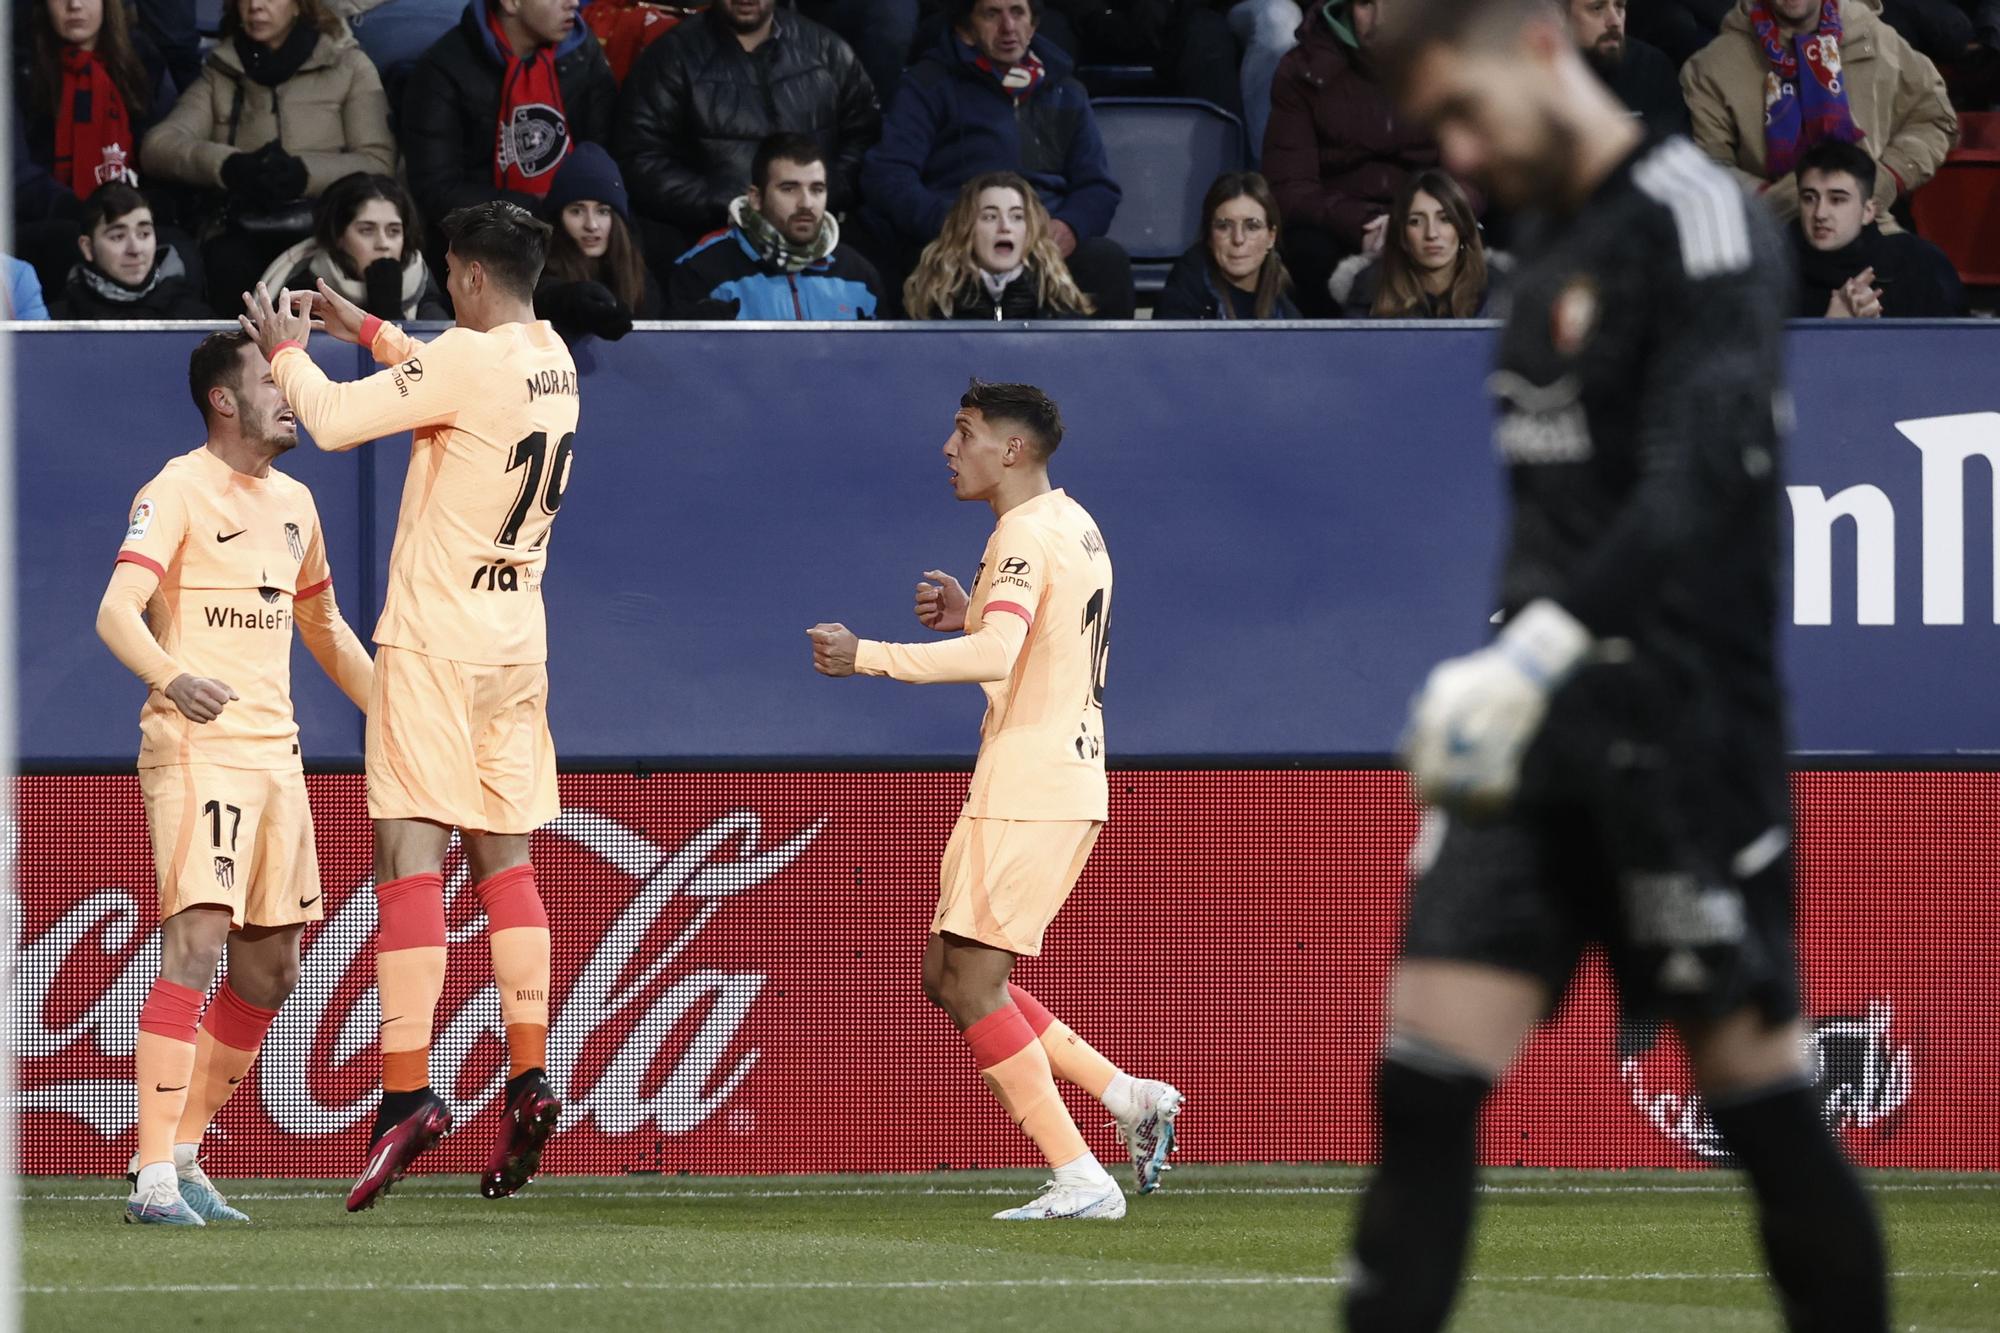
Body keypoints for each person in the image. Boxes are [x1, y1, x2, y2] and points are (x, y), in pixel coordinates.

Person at [1347, 0, 1890, 1328]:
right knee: (1420, 1087)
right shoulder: (1539, 257)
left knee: (1759, 1102)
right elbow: (1555, 526)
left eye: (1465, 113)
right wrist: (1500, 688)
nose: (1457, 157)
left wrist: (1531, 653)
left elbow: (1700, 476)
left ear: (1540, 51)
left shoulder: (1694, 216)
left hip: (1685, 740)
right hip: (1538, 740)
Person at [238, 200, 578, 1211]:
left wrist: (293, 350)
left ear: (468, 276)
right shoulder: (548, 352)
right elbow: (453, 382)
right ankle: (527, 1070)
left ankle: (406, 1092)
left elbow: (337, 424)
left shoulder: (470, 359)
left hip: (438, 641)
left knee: (406, 855)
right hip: (520, 639)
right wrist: (373, 330)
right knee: (505, 857)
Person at [805, 379, 1183, 1221]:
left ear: (1012, 449)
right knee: (948, 970)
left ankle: (1081, 1175)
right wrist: (970, 615)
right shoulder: (1072, 522)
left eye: (966, 432)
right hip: (1051, 772)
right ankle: (1122, 1096)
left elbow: (997, 653)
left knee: (972, 978)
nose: (950, 447)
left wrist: (867, 653)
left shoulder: (1021, 533)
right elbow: (1024, 644)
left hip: (1033, 780)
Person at [96, 328, 374, 1225]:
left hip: (276, 757)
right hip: (195, 746)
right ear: (224, 399)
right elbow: (115, 611)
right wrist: (172, 676)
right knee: (200, 938)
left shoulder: (296, 501)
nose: (293, 391)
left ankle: (186, 1151)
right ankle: (150, 1177)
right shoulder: (174, 489)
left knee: (272, 967)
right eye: (271, 377)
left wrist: (399, 714)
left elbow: (326, 628)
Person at [859, 0, 1132, 319]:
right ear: (966, 30)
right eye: (992, 14)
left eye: (1017, 12)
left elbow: (1097, 187)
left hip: (1042, 242)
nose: (1008, 27)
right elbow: (888, 176)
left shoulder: (1066, 91)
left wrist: (1068, 227)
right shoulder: (928, 85)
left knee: (1107, 262)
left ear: (1033, 26)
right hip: (952, 240)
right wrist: (954, 225)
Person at [139, 0, 397, 310]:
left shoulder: (349, 66)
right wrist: (228, 165)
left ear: (301, 5)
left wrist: (304, 174)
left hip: (326, 228)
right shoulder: (222, 70)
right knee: (228, 262)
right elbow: (157, 146)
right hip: (240, 228)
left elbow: (379, 162)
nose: (255, 6)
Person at [613, 0, 880, 276]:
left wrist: (815, 195)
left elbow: (866, 138)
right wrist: (721, 201)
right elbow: (638, 157)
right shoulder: (670, 58)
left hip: (818, 256)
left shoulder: (828, 52)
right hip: (709, 255)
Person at [1263, 0, 1480, 318]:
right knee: (1306, 249)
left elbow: (1476, 171)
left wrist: (1415, 221)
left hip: (1431, 214)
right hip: (1342, 226)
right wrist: (1363, 224)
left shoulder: (1449, 61)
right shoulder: (1302, 68)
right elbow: (1289, 188)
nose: (1379, 19)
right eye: (1366, 3)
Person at [1680, 0, 1957, 231]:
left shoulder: (1874, 38)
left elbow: (1934, 118)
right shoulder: (1713, 65)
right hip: (1770, 237)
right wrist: (1788, 201)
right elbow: (1708, 169)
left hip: (1871, 230)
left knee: (1934, 278)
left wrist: (1886, 177)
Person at [401, 0, 618, 245]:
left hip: (582, 226)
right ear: (511, 3)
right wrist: (541, 213)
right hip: (485, 240)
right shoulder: (444, 69)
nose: (574, 3)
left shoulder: (581, 51)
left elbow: (607, 154)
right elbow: (437, 190)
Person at [667, 132, 881, 320]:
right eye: (789, 189)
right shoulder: (701, 270)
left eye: (817, 189)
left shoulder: (858, 275)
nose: (806, 203)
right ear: (756, 198)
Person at [16, 0, 168, 208]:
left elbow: (159, 154)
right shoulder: (21, 75)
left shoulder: (143, 64)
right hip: (53, 219)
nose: (74, 5)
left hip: (135, 213)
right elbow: (20, 175)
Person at [1793, 138, 1965, 316]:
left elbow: (1955, 341)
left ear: (1868, 211)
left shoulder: (1920, 265)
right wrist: (1829, 330)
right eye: (1809, 198)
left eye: (1837, 200)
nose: (1820, 214)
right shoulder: (1773, 272)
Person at [259, 172, 453, 321]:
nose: (383, 244)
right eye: (367, 231)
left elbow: (436, 367)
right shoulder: (302, 296)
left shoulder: (422, 288)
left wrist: (389, 312)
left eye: (394, 231)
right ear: (338, 237)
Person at [901, 173, 1094, 319]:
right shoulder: (933, 303)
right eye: (990, 217)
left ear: (1030, 230)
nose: (1004, 227)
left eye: (1017, 217)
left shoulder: (1057, 301)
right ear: (966, 229)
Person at [1330, 169, 1506, 318]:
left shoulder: (1496, 287)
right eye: (1415, 221)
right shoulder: (1371, 284)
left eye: (1445, 219)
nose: (1431, 234)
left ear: (1462, 228)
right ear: (1402, 234)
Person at [536, 142, 663, 341]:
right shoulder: (535, 268)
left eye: (602, 211)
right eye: (576, 211)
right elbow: (544, 296)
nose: (592, 225)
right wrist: (574, 301)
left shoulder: (637, 273)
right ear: (558, 219)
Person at [1154, 170, 1301, 319]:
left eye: (1252, 227)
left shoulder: (1285, 312)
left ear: (1271, 237)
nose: (1238, 239)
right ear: (1210, 236)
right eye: (1224, 226)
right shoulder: (1185, 290)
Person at [56, 180, 213, 317]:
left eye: (144, 234)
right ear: (87, 248)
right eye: (118, 237)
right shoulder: (58, 325)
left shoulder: (196, 320)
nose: (135, 249)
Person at [1569, 0, 1689, 133]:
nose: (1615, 21)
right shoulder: (1544, 78)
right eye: (1597, 8)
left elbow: (1671, 147)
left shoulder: (1651, 66)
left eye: (1619, 6)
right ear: (1558, 15)